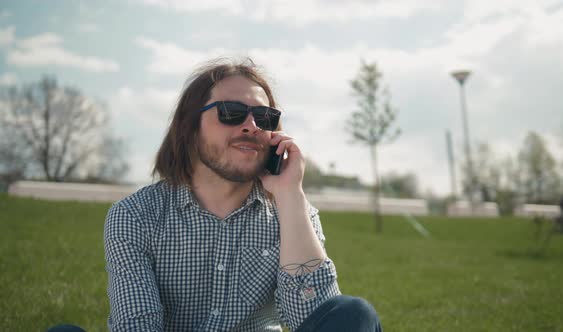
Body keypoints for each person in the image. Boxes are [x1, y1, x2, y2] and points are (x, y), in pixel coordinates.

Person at [103, 58, 381, 332]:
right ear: (190, 126)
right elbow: (138, 326)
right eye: (230, 112)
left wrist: (289, 194)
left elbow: (318, 317)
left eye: (264, 117)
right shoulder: (135, 215)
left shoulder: (294, 210)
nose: (251, 126)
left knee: (353, 314)